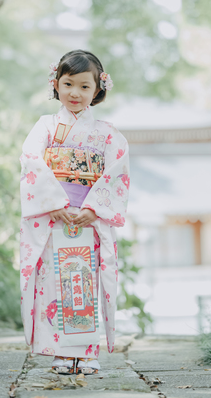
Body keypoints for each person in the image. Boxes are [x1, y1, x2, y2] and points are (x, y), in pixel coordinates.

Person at [18, 50, 129, 375]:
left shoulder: (108, 133)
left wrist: (94, 208)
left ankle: (87, 350)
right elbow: (31, 162)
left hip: (90, 217)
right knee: (53, 282)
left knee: (85, 281)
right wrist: (56, 204)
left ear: (98, 89)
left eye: (84, 86)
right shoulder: (45, 127)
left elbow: (116, 171)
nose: (75, 93)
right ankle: (61, 352)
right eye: (68, 84)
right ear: (56, 84)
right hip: (55, 215)